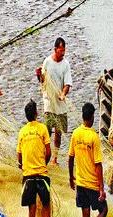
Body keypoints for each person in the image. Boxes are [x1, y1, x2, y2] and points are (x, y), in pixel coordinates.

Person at [68, 103, 108, 217]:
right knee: (103, 210)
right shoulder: (93, 137)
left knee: (85, 216)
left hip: (80, 183)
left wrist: (70, 177)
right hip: (91, 183)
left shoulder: (76, 134)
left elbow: (70, 158)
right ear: (91, 117)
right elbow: (98, 165)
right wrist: (101, 188)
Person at [17, 100, 56, 217]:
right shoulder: (43, 129)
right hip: (41, 175)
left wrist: (24, 166)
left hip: (28, 176)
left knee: (31, 209)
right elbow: (49, 152)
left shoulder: (22, 132)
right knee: (46, 206)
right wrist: (43, 164)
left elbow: (19, 158)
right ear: (36, 113)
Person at [37, 37, 72, 165]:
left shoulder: (66, 64)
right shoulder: (47, 62)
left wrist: (63, 93)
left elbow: (68, 83)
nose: (62, 53)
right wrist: (39, 75)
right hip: (49, 103)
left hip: (61, 104)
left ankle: (55, 159)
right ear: (55, 49)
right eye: (60, 51)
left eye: (64, 51)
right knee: (46, 131)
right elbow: (42, 80)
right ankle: (43, 156)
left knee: (59, 132)